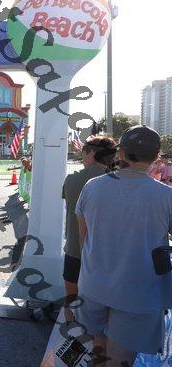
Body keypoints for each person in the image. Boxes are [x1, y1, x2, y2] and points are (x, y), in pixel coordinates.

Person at [75, 125, 172, 365]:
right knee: (119, 360)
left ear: (121, 153)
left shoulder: (92, 186)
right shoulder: (166, 196)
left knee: (97, 352)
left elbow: (84, 239)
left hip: (93, 286)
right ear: (156, 157)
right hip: (139, 293)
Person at [61, 136, 117, 310]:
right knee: (102, 306)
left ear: (91, 153)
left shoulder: (72, 180)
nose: (82, 157)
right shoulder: (119, 181)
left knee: (72, 300)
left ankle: (71, 326)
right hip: (109, 255)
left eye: (83, 153)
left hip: (75, 251)